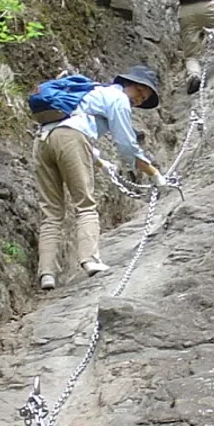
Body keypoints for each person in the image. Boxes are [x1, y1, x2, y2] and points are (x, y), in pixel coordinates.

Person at [34, 66, 166, 292]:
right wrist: (152, 172)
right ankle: (90, 260)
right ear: (132, 84)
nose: (138, 101)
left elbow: (71, 126)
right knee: (85, 204)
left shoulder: (92, 92)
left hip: (42, 141)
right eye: (140, 94)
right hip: (70, 140)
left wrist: (100, 162)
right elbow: (126, 145)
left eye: (143, 99)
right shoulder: (118, 99)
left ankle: (47, 274)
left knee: (52, 212)